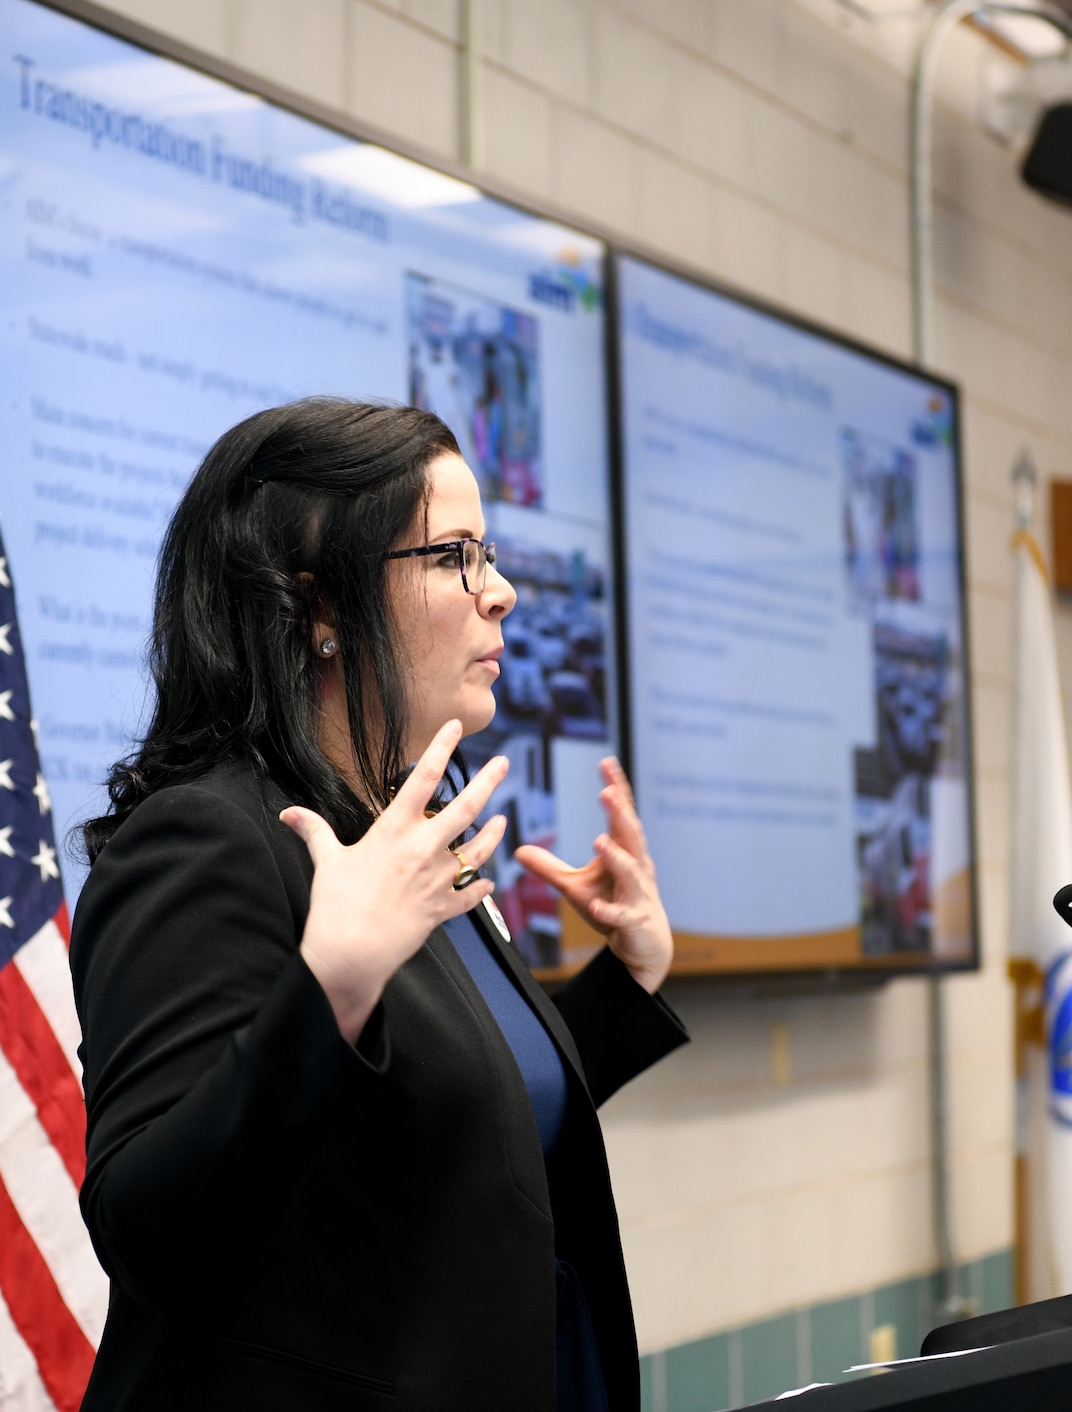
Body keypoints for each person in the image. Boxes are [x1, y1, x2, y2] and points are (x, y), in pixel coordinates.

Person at [68, 398, 689, 1411]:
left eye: (487, 555)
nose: (502, 593)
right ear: (317, 608)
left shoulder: (396, 829)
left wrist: (626, 983)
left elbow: (436, 1119)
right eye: (454, 557)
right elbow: (149, 1233)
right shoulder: (210, 838)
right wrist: (330, 989)